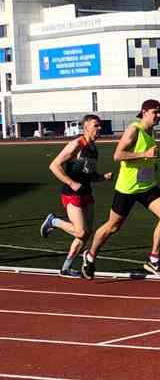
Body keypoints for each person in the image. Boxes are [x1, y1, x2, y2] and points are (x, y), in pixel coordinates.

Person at [81, 98, 160, 280]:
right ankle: (90, 256)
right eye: (155, 112)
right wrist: (145, 154)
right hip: (128, 188)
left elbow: (144, 158)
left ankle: (154, 259)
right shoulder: (134, 129)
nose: (158, 115)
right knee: (112, 227)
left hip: (147, 186)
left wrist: (151, 164)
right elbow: (118, 155)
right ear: (144, 112)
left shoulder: (151, 130)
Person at [39, 114, 112, 277]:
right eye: (96, 125)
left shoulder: (93, 149)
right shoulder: (76, 145)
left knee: (86, 234)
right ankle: (53, 221)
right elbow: (54, 166)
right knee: (80, 232)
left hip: (86, 192)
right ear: (86, 127)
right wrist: (71, 183)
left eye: (100, 125)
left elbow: (90, 174)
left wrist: (103, 177)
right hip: (71, 193)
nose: (99, 128)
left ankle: (66, 268)